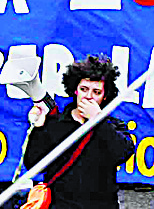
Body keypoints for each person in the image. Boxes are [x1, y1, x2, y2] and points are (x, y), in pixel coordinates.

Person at [21, 56, 132, 209]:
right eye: (84, 89)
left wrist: (97, 120)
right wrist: (39, 129)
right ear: (75, 90)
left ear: (105, 96)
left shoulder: (113, 125)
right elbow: (33, 164)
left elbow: (122, 153)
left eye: (96, 92)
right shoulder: (56, 123)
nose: (88, 96)